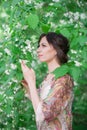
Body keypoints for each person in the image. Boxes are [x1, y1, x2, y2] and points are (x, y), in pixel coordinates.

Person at [21, 32, 74, 130]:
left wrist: (31, 82)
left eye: (43, 46)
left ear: (56, 50)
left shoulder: (63, 79)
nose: (38, 50)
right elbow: (39, 103)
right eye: (38, 46)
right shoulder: (48, 78)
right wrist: (26, 81)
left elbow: (44, 115)